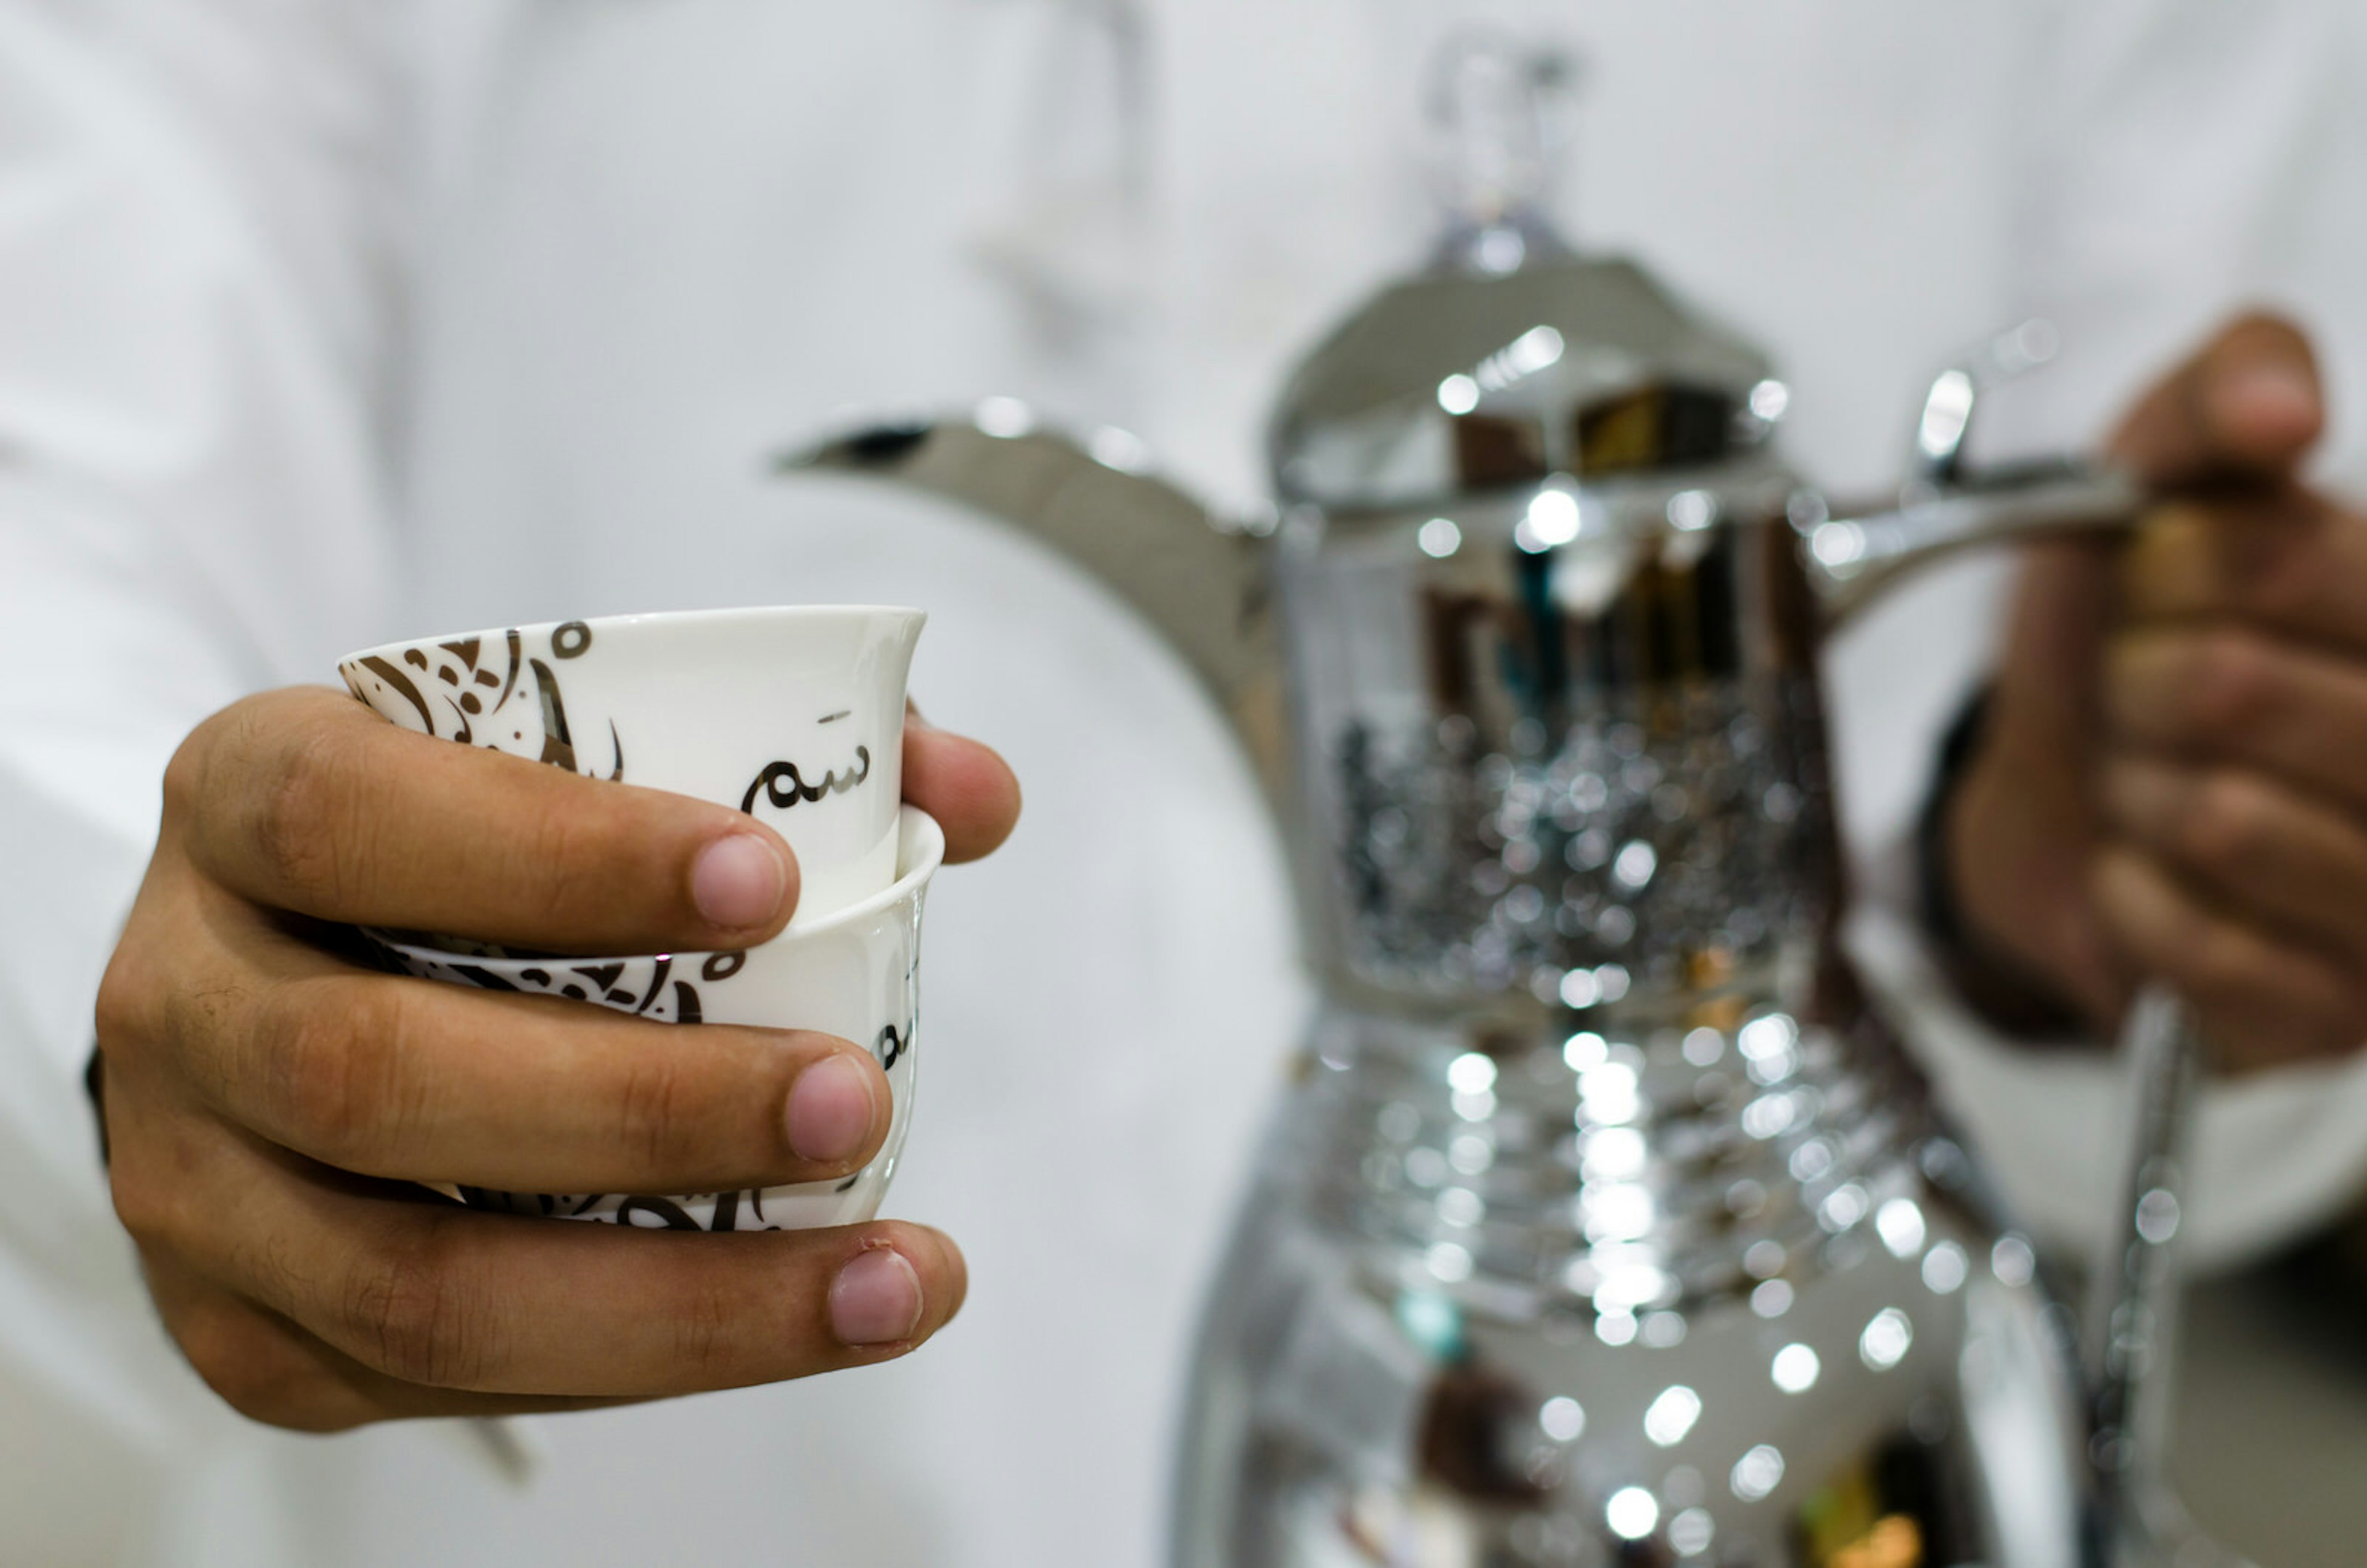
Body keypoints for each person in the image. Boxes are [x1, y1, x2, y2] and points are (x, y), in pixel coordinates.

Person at [4, 2, 2367, 1564]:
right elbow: (60, 489)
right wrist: (166, 981)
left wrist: (2121, 899)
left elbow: (2197, 605)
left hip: (1778, 1423)